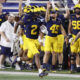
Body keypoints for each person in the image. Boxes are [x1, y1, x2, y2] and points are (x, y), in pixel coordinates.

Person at [13, 6, 48, 77]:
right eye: (37, 13)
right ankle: (40, 71)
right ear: (33, 13)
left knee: (29, 57)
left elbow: (42, 28)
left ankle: (18, 59)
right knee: (37, 54)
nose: (38, 14)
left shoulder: (38, 19)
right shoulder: (27, 18)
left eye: (38, 13)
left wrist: (44, 32)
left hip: (35, 39)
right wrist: (15, 34)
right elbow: (17, 23)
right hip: (28, 40)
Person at [42, 2, 68, 72]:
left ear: (56, 14)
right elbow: (46, 16)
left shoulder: (58, 21)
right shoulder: (48, 20)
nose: (53, 14)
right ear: (50, 14)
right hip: (49, 38)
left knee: (55, 53)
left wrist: (65, 37)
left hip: (56, 38)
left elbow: (62, 29)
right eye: (52, 13)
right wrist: (48, 8)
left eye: (54, 13)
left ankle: (53, 67)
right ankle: (44, 66)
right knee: (47, 52)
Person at [68, 4, 80, 72]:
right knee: (73, 53)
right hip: (74, 35)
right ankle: (73, 68)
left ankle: (78, 67)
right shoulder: (72, 16)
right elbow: (70, 26)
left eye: (78, 9)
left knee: (79, 52)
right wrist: (69, 34)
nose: (77, 10)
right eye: (76, 9)